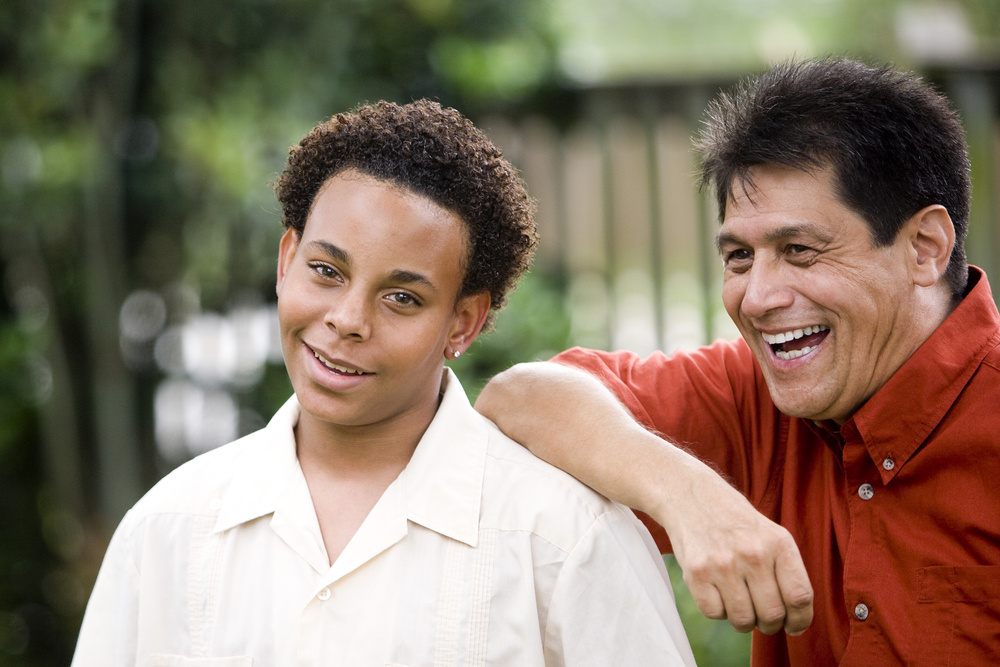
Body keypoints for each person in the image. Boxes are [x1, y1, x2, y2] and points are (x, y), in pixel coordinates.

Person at [71, 100, 696, 666]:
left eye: (401, 297)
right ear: (286, 261)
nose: (347, 320)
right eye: (325, 270)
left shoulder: (563, 541)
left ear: (463, 322)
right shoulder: (167, 530)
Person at [476, 58, 1000, 667]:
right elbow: (520, 396)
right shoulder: (758, 398)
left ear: (924, 248)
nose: (756, 298)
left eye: (799, 251)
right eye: (740, 257)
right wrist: (694, 496)